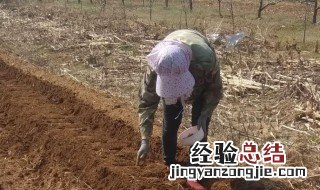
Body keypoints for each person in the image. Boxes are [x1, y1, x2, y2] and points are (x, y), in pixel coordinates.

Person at [136, 29, 222, 166]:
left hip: (199, 73)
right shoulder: (157, 65)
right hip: (177, 58)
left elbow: (214, 91)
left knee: (199, 125)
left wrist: (204, 115)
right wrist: (145, 140)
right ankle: (169, 162)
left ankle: (198, 164)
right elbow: (146, 102)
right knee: (171, 119)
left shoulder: (205, 61)